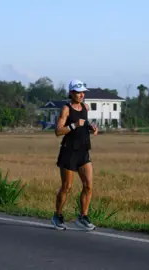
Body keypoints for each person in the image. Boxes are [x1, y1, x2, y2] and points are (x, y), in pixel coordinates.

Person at [51, 79, 99, 231]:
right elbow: (58, 131)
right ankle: (57, 216)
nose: (81, 95)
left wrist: (91, 127)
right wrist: (74, 125)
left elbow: (83, 124)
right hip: (69, 152)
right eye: (78, 92)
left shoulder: (85, 107)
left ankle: (82, 217)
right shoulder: (66, 109)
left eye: (83, 92)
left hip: (83, 151)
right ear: (71, 93)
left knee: (89, 186)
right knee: (67, 187)